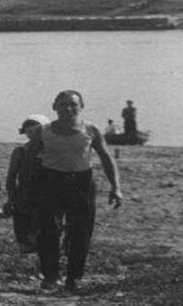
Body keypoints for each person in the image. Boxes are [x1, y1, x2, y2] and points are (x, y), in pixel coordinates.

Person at [35, 90, 123, 291]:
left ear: (81, 107)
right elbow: (30, 160)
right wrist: (25, 189)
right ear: (54, 107)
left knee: (80, 232)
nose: (68, 109)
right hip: (50, 181)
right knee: (49, 231)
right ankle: (51, 276)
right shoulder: (44, 131)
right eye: (63, 104)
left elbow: (106, 158)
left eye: (73, 104)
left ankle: (74, 278)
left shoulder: (91, 129)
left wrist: (116, 187)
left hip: (82, 182)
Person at [6, 114, 50, 257]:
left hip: (47, 197)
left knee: (45, 234)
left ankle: (43, 265)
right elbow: (11, 178)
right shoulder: (20, 151)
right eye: (29, 131)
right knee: (24, 234)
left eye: (37, 131)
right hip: (24, 197)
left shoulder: (52, 150)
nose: (33, 135)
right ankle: (28, 263)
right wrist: (12, 199)